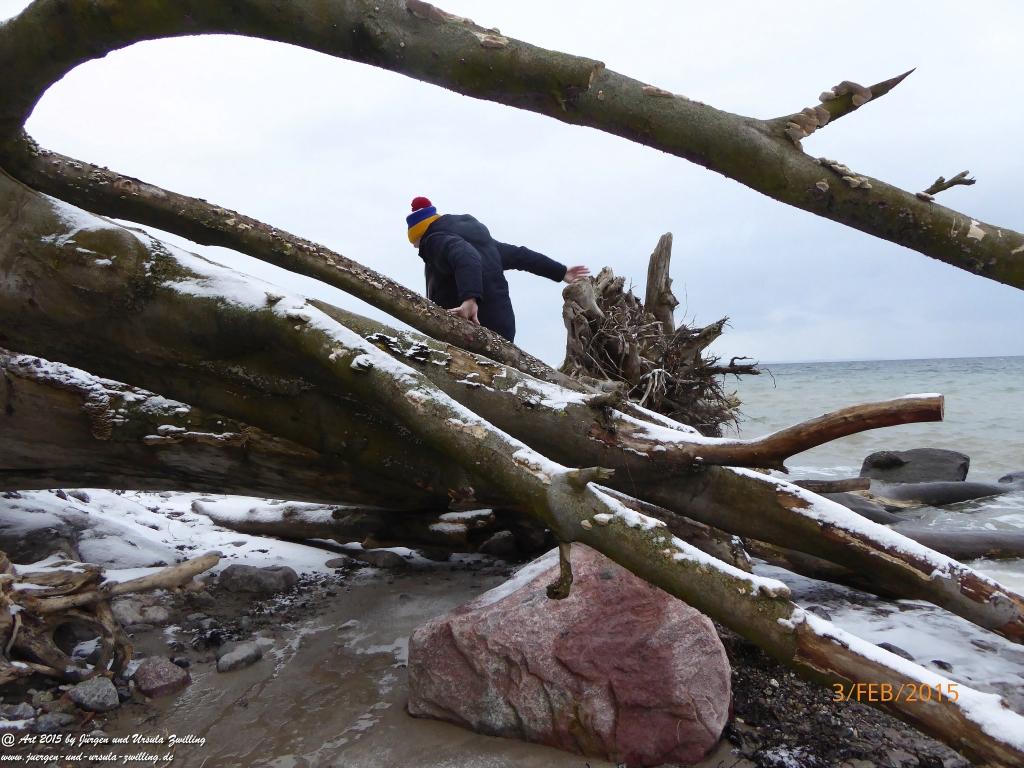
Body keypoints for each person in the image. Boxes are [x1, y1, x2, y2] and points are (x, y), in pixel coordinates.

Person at [406, 196, 589, 342]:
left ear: (420, 234)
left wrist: (470, 299)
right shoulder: (480, 240)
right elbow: (521, 256)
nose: (417, 250)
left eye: (416, 245)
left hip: (471, 326)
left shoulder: (433, 240)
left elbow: (467, 257)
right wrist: (561, 271)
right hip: (503, 328)